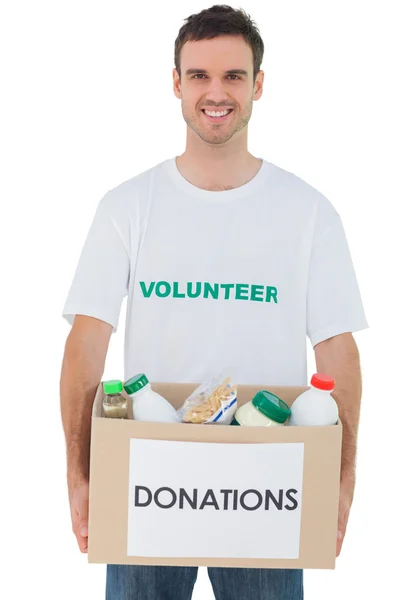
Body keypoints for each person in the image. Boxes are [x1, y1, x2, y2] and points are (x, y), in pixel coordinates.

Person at [60, 5, 368, 600]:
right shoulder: (128, 206)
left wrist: (344, 477)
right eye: (198, 75)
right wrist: (79, 472)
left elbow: (338, 351)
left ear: (258, 84)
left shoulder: (308, 213)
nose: (215, 92)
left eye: (233, 75)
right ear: (176, 83)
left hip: (269, 478)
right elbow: (86, 343)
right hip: (146, 476)